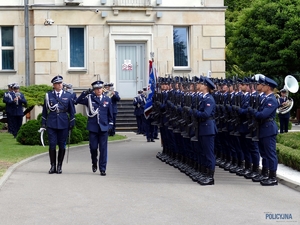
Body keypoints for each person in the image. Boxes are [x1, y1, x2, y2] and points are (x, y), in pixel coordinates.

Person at [76, 81, 113, 176]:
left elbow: (110, 115)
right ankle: (94, 161)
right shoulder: (89, 99)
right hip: (93, 128)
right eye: (96, 89)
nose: (99, 90)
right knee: (93, 148)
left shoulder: (107, 99)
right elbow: (77, 101)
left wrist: (110, 125)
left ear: (102, 89)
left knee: (103, 149)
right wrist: (85, 93)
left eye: (100, 88)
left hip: (103, 127)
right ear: (94, 90)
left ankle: (103, 168)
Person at [41, 75, 75, 174]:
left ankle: (59, 166)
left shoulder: (68, 95)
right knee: (52, 144)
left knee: (62, 145)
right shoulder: (49, 95)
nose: (60, 85)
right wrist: (43, 123)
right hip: (51, 122)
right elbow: (44, 111)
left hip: (63, 123)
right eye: (58, 83)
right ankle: (52, 166)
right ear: (54, 85)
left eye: (61, 83)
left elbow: (72, 110)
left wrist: (72, 121)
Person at [249, 77, 279, 186]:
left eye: (264, 85)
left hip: (268, 128)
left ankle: (272, 177)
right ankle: (265, 173)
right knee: (264, 153)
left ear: (268, 87)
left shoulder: (271, 99)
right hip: (263, 128)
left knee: (270, 153)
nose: (261, 86)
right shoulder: (265, 98)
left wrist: (253, 112)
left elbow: (263, 114)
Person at [191, 77, 217, 185]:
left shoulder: (209, 99)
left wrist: (195, 112)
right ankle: (205, 173)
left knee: (209, 153)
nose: (199, 85)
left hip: (208, 128)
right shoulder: (203, 98)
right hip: (203, 128)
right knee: (203, 152)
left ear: (206, 86)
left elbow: (206, 114)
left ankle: (210, 177)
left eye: (202, 84)